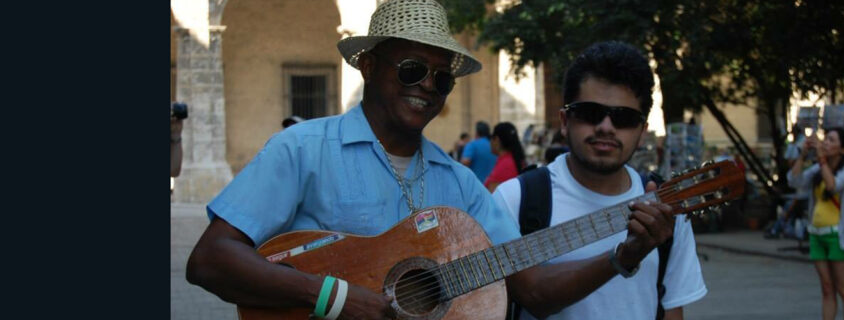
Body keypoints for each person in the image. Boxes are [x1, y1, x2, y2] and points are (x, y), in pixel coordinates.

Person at [185, 1, 521, 319]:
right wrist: (332, 297)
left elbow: (525, 276)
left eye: (442, 78)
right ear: (369, 67)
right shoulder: (302, 150)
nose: (428, 85)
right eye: (412, 69)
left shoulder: (459, 182)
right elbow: (210, 259)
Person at [493, 41, 706, 320]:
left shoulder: (665, 208)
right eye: (590, 113)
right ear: (565, 121)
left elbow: (671, 309)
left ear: (642, 132)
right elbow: (533, 296)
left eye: (624, 118)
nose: (606, 127)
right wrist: (623, 257)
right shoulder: (516, 199)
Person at [788, 126, 844, 320]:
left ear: (843, 149)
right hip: (817, 233)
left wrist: (821, 159)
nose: (825, 143)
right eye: (825, 139)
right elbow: (795, 180)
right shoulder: (818, 168)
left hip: (838, 235)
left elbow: (834, 185)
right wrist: (803, 155)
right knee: (827, 288)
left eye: (831, 140)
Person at [483, 122, 526, 192]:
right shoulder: (512, 160)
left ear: (496, 140)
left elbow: (492, 197)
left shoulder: (506, 165)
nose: (490, 142)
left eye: (491, 138)